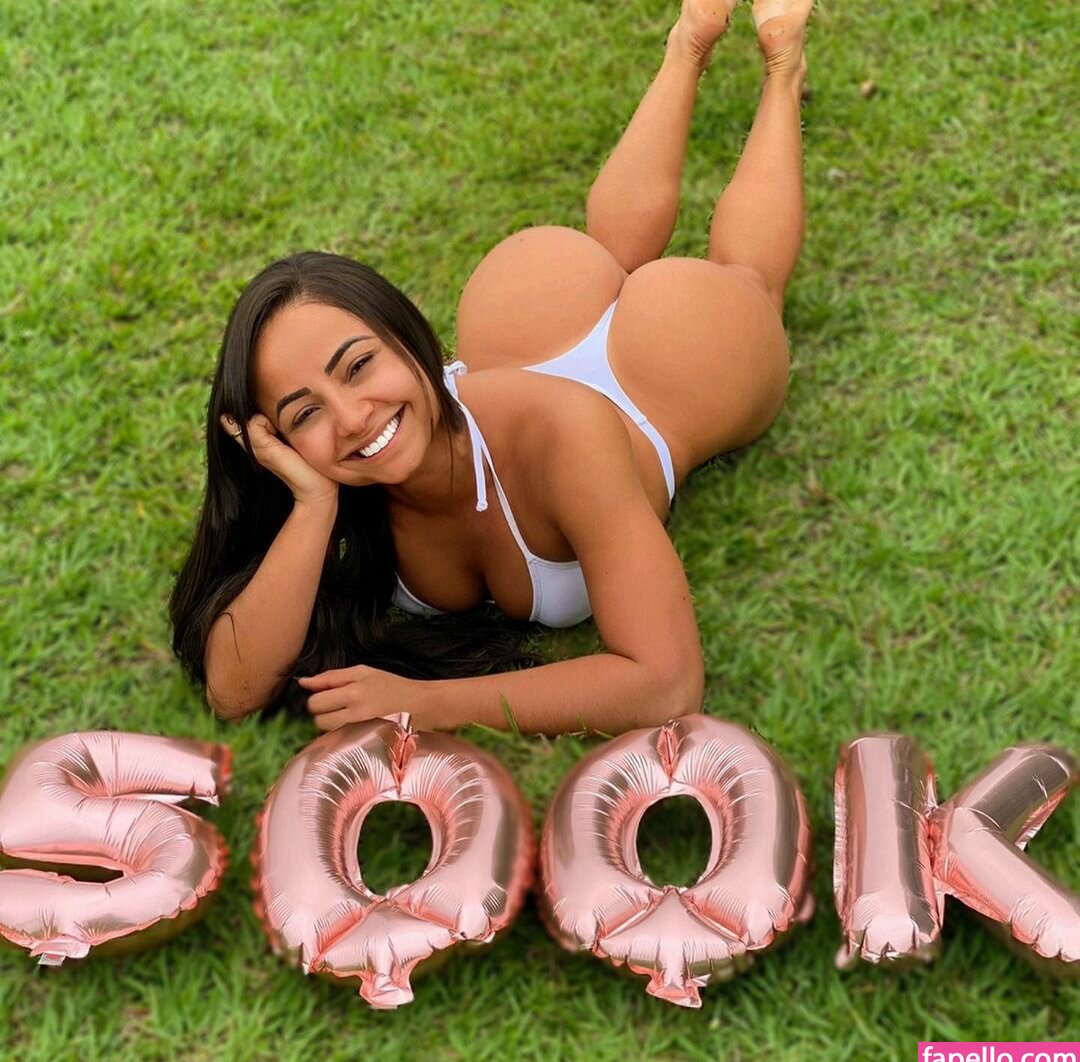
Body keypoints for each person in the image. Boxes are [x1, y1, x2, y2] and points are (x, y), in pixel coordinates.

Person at [170, 0, 814, 735]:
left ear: (410, 337)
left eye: (358, 366)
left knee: (746, 282)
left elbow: (665, 683)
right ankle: (689, 40)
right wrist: (313, 505)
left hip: (665, 375)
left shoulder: (562, 431)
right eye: (304, 412)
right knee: (605, 252)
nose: (349, 418)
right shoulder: (337, 489)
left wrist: (427, 703)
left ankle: (778, 62)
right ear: (277, 441)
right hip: (529, 319)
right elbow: (234, 688)